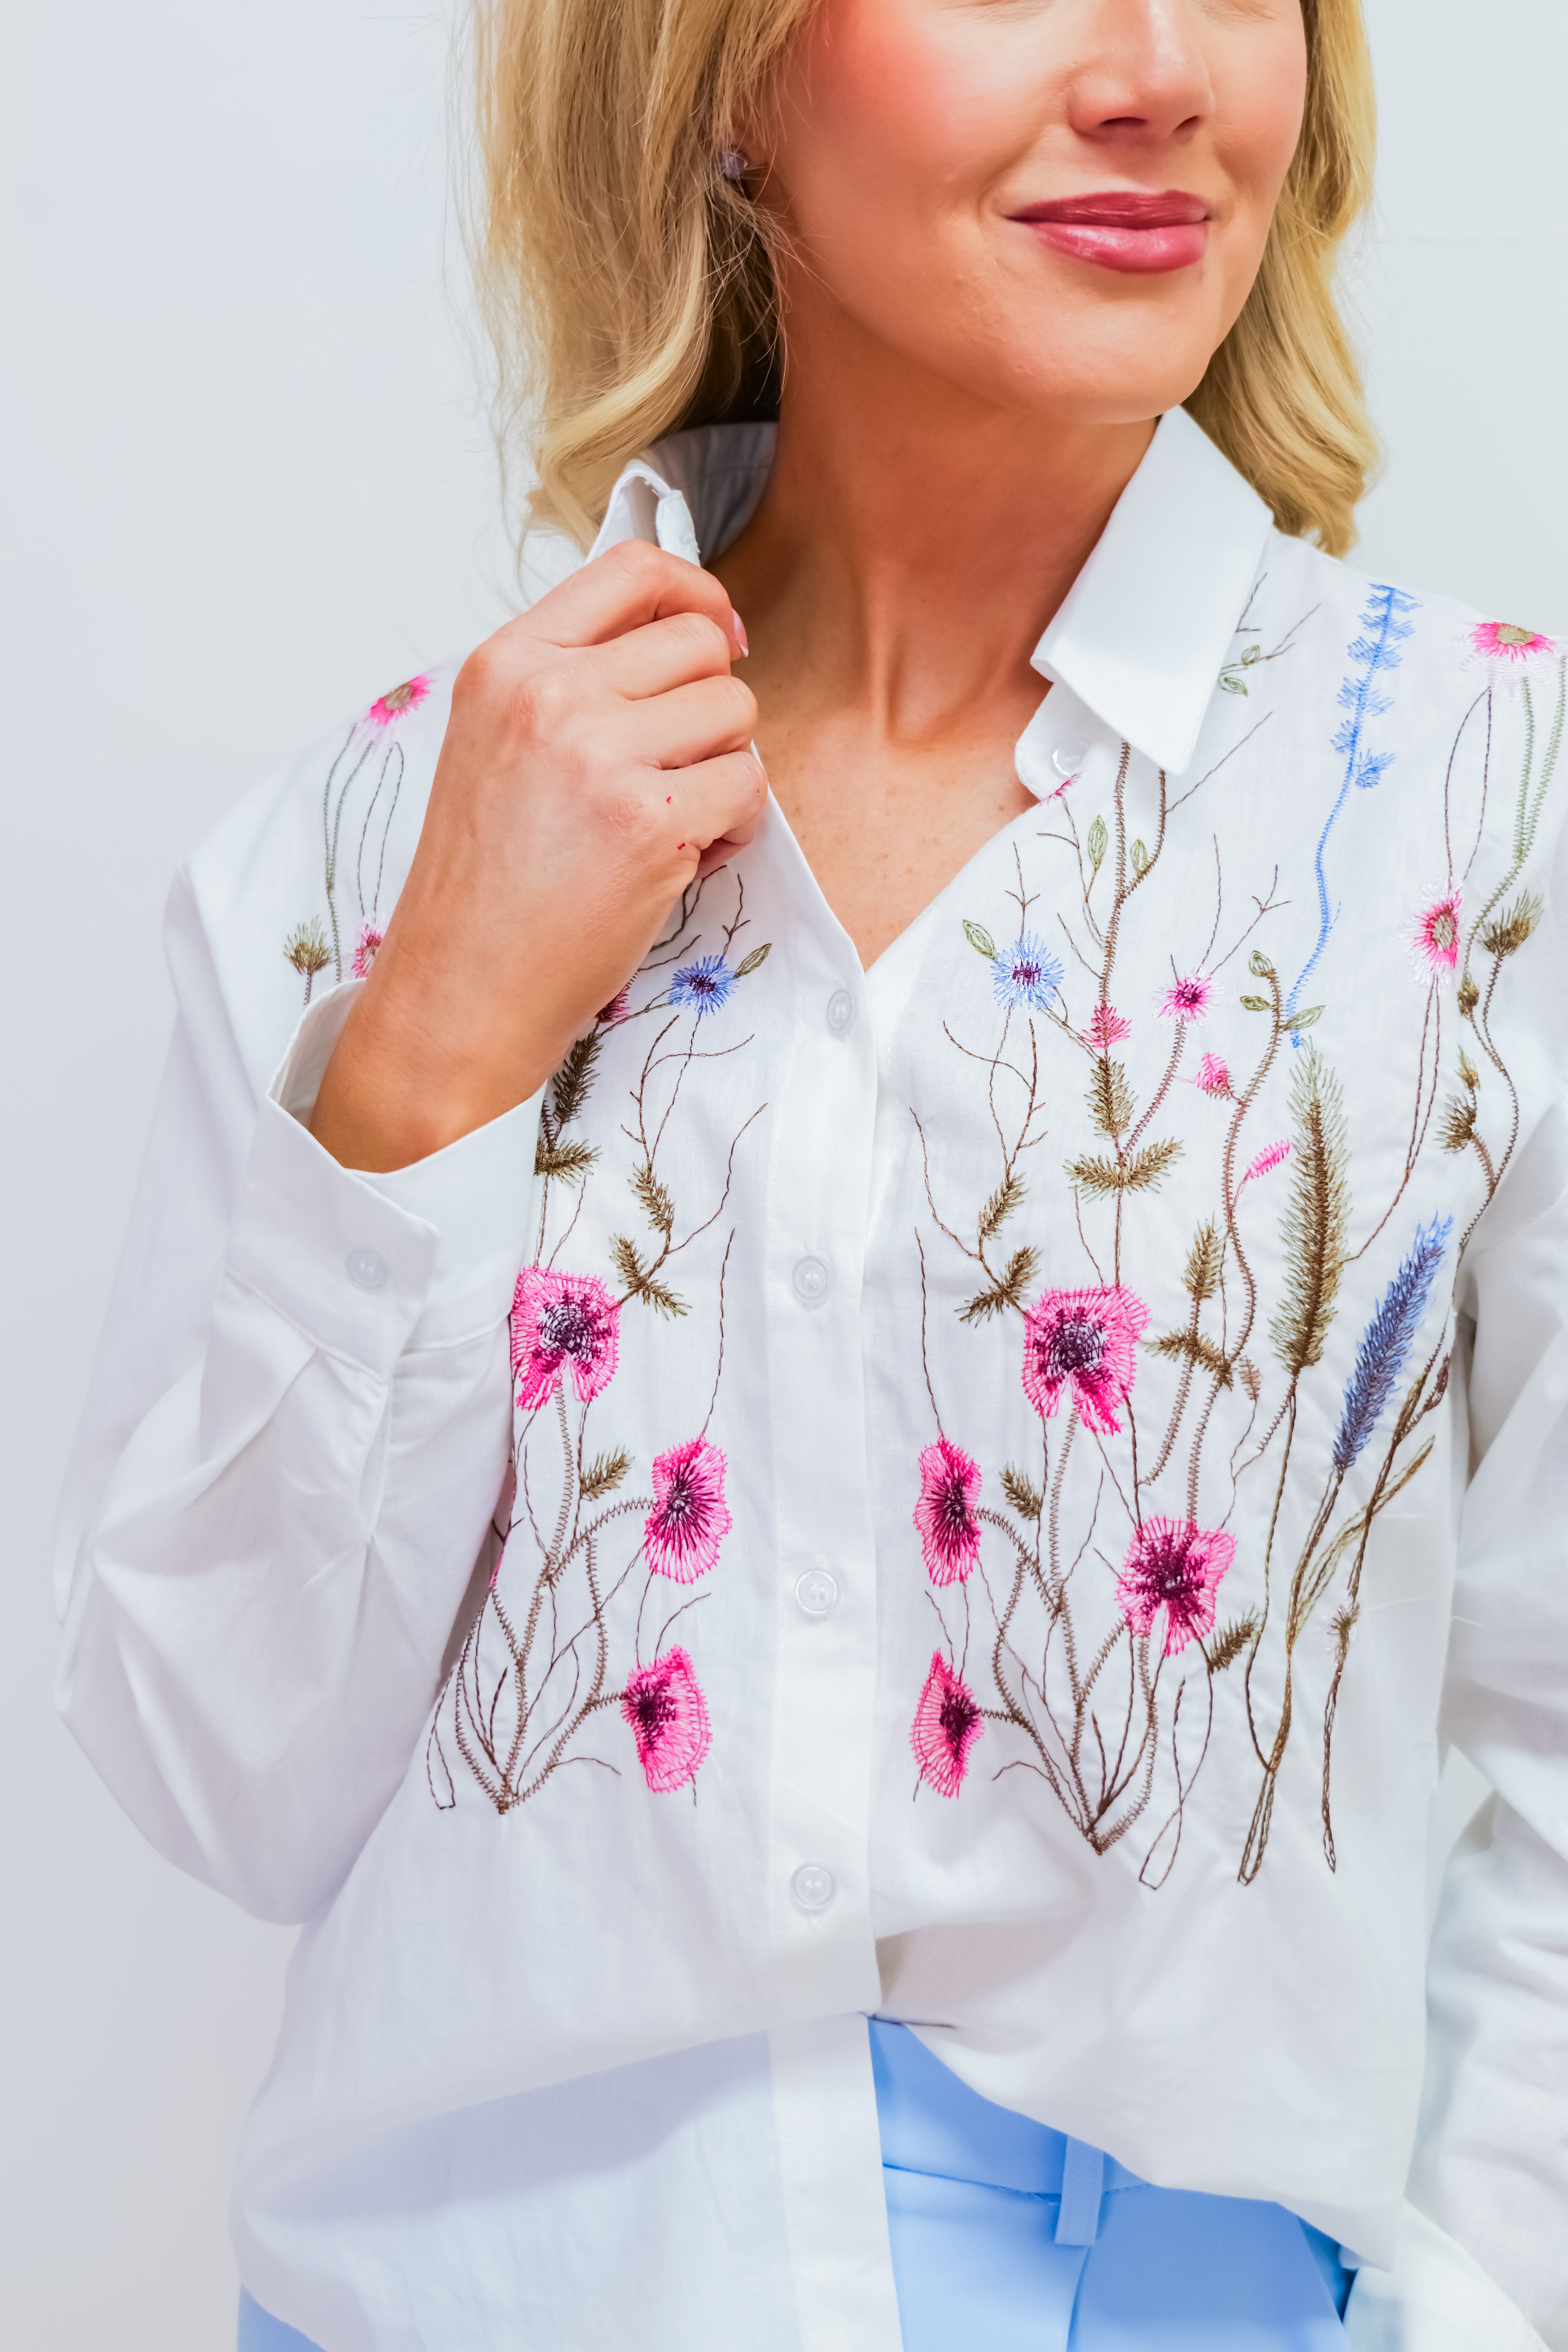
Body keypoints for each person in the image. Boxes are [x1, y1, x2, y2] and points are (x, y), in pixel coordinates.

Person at [54, 0, 1568, 2345]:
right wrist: (439, 1037)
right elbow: (219, 1775)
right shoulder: (367, 843)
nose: (1162, 65)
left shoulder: (1486, 819)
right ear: (723, 73)